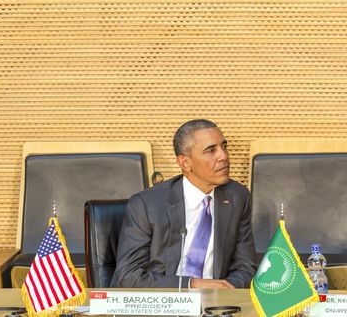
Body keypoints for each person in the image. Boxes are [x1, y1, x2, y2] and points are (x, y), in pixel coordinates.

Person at [110, 119, 257, 289]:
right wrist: (191, 285)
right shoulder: (146, 205)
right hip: (161, 303)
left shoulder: (237, 197)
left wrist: (224, 290)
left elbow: (246, 267)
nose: (223, 156)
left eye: (224, 147)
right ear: (185, 163)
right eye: (211, 150)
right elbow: (128, 275)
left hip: (214, 306)